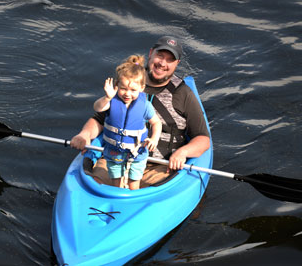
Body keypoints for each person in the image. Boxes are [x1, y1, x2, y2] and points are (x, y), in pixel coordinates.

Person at [71, 36, 210, 187]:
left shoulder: (183, 94)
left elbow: (203, 139)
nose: (163, 63)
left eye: (170, 60)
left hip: (159, 166)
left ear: (177, 64)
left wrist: (183, 153)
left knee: (142, 191)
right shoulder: (127, 81)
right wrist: (84, 135)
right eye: (160, 56)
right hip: (116, 156)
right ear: (151, 53)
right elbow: (99, 119)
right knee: (95, 183)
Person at [93, 55, 162, 190]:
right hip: (114, 152)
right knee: (116, 182)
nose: (127, 94)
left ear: (142, 88)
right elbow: (97, 108)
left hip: (137, 152)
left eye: (133, 90)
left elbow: (156, 123)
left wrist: (154, 138)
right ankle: (117, 198)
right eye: (123, 88)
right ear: (117, 85)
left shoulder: (145, 106)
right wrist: (107, 97)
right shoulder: (111, 101)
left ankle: (131, 200)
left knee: (133, 183)